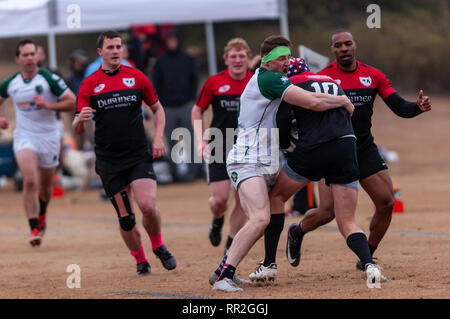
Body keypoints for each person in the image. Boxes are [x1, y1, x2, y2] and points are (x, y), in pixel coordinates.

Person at [211, 35, 355, 292]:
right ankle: (223, 276)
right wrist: (343, 100)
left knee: (255, 220)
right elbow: (312, 101)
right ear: (268, 60)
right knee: (259, 219)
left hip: (262, 160)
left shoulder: (268, 76)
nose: (287, 62)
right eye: (282, 58)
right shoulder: (270, 78)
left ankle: (223, 271)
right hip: (247, 160)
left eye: (288, 57)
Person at [286, 30, 432, 273]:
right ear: (332, 50)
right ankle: (297, 231)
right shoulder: (322, 77)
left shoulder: (372, 75)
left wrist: (417, 107)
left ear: (354, 46)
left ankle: (367, 254)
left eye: (348, 44)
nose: (344, 48)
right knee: (327, 212)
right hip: (333, 148)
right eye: (338, 45)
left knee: (386, 203)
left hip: (362, 147)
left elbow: (398, 106)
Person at [249, 56, 385, 286]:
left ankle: (269, 263)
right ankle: (370, 264)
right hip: (346, 147)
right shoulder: (332, 81)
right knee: (347, 221)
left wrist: (287, 147)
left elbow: (282, 121)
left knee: (277, 197)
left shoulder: (290, 84)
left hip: (314, 149)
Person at [72, 30, 176, 276]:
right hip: (109, 161)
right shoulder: (90, 84)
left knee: (148, 206)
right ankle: (140, 260)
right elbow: (78, 127)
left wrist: (159, 137)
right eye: (110, 47)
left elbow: (158, 109)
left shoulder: (137, 77)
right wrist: (80, 121)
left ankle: (158, 246)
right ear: (100, 52)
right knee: (126, 218)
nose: (115, 51)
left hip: (138, 154)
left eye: (118, 46)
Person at [0, 39, 76, 246]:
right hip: (24, 136)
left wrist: (49, 105)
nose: (30, 58)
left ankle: (42, 212)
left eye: (33, 54)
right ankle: (34, 227)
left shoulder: (49, 78)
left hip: (49, 137)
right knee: (30, 180)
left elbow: (73, 102)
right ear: (18, 59)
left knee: (44, 187)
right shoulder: (11, 83)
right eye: (25, 55)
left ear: (37, 57)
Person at [191, 38, 252, 267]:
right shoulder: (215, 82)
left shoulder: (255, 80)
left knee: (243, 199)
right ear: (226, 60)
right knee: (220, 200)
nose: (237, 60)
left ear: (247, 58)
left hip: (247, 147)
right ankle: (217, 220)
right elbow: (197, 110)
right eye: (233, 56)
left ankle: (231, 242)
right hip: (219, 144)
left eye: (241, 56)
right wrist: (200, 141)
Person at [152, 29, 200, 182]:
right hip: (167, 107)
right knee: (171, 140)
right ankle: (174, 173)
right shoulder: (160, 61)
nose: (172, 43)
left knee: (190, 140)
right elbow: (155, 83)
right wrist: (161, 103)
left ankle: (194, 171)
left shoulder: (187, 59)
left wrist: (192, 99)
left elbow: (195, 79)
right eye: (169, 40)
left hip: (186, 105)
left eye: (174, 40)